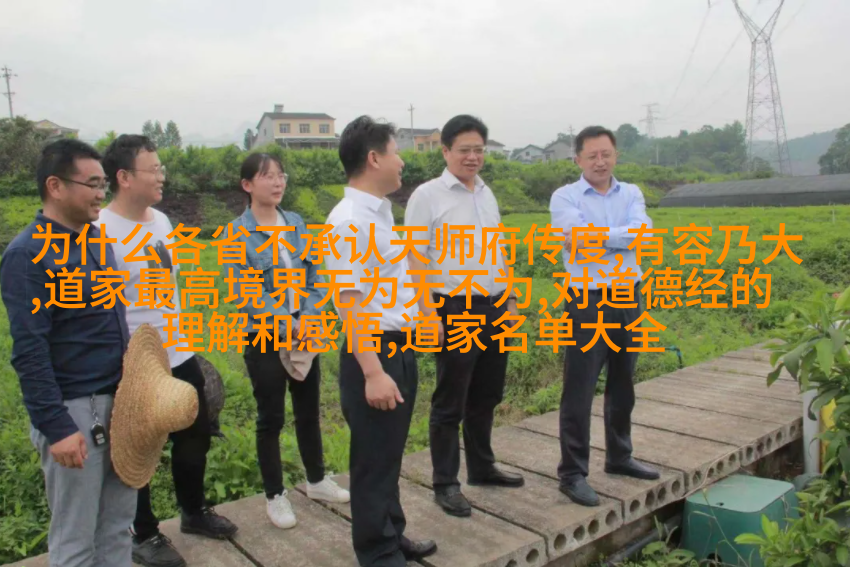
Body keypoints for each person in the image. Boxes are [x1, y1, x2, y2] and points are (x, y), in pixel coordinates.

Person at [98, 134, 238, 567]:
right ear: (124, 177)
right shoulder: (100, 230)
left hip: (177, 350)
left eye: (161, 168)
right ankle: (143, 534)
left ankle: (193, 512)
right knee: (139, 445)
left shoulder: (160, 221)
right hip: (134, 361)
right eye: (154, 169)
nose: (162, 176)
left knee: (195, 432)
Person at [0, 139, 137, 566]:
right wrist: (57, 426)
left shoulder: (97, 240)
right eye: (92, 183)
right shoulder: (27, 255)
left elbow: (114, 321)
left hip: (120, 404)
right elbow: (30, 350)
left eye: (103, 183)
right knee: (76, 538)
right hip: (76, 410)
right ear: (55, 186)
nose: (101, 193)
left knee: (118, 525)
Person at [325, 116, 437, 566]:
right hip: (373, 352)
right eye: (396, 152)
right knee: (373, 460)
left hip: (396, 348)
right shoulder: (349, 221)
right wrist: (372, 373)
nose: (402, 161)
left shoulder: (379, 212)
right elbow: (349, 304)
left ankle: (393, 535)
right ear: (374, 158)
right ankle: (377, 553)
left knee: (389, 454)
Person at [405, 115, 524, 518]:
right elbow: (415, 258)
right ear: (445, 151)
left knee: (487, 392)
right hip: (454, 308)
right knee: (450, 398)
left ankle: (482, 467)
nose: (472, 157)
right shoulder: (427, 195)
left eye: (478, 150)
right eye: (464, 150)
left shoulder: (486, 193)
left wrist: (509, 299)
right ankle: (445, 482)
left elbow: (498, 250)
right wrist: (428, 313)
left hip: (493, 306)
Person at [229, 152, 350, 530]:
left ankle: (316, 480)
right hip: (265, 335)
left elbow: (316, 277)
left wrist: (307, 317)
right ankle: (275, 495)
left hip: (305, 329)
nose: (278, 182)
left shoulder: (295, 223)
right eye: (268, 176)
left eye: (281, 175)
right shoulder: (237, 233)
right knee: (271, 418)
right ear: (248, 185)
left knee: (308, 410)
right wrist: (287, 323)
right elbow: (245, 292)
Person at [548, 126, 659, 507]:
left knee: (623, 381)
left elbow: (643, 234)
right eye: (592, 155)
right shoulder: (564, 196)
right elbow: (578, 236)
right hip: (587, 300)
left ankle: (619, 456)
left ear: (616, 156)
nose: (600, 162)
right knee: (579, 388)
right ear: (577, 159)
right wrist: (620, 235)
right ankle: (572, 473)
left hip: (628, 296)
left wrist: (598, 236)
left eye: (606, 154)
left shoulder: (632, 193)